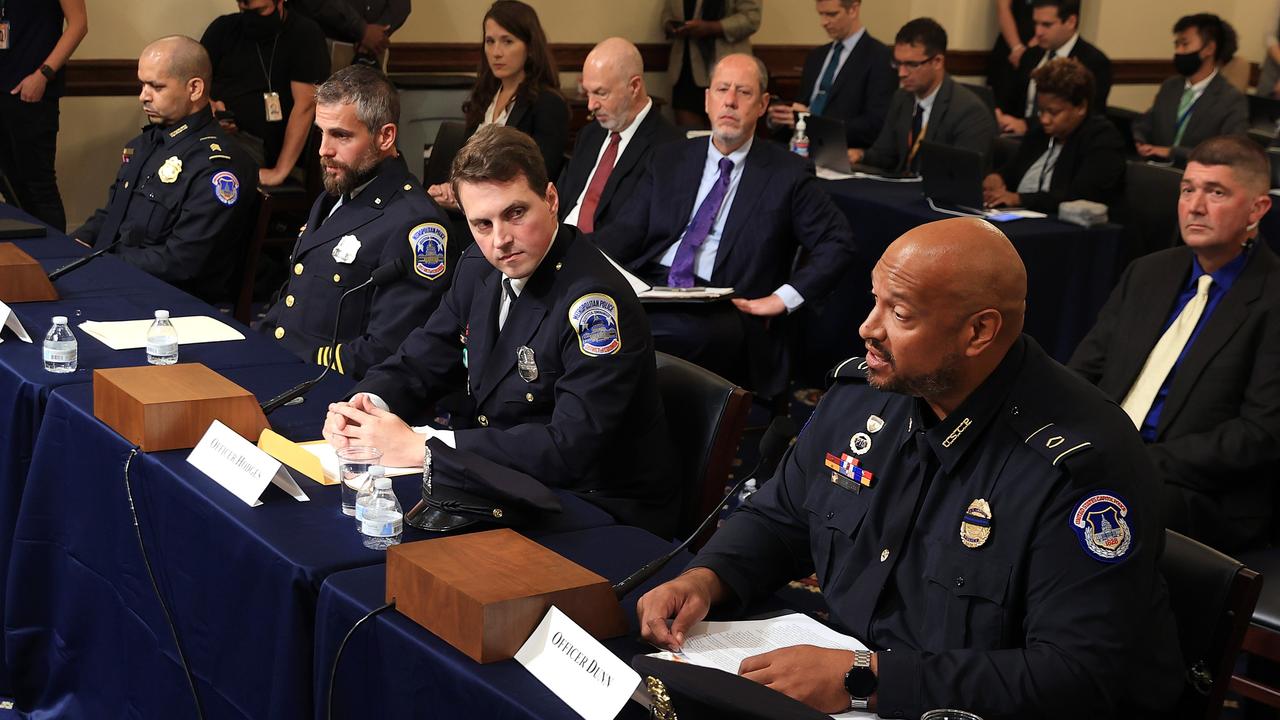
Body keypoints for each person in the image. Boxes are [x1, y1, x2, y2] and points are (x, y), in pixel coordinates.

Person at [636, 216, 1184, 719]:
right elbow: (784, 518)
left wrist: (866, 679)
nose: (867, 329)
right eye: (875, 303)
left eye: (899, 314)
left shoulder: (1082, 466)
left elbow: (1076, 675)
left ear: (978, 332)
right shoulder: (869, 392)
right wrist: (708, 578)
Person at [322, 125, 678, 537]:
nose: (501, 241)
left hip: (598, 505)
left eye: (515, 213)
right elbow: (423, 357)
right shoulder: (478, 267)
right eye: (482, 224)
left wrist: (424, 446)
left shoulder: (594, 303)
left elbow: (570, 448)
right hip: (505, 481)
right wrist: (366, 406)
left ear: (550, 199)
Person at [1069, 135, 1279, 553]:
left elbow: (1260, 435)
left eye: (1216, 192)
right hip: (1107, 457)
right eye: (1187, 190)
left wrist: (1137, 462)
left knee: (1084, 514)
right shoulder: (1147, 273)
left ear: (1257, 209)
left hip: (1200, 491)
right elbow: (1082, 374)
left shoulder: (1273, 299)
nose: (1195, 207)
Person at [603, 54, 855, 400]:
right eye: (722, 89)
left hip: (725, 305)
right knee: (594, 316)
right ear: (707, 99)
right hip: (655, 288)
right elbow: (623, 234)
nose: (731, 101)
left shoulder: (786, 174)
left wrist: (780, 300)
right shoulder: (669, 158)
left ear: (763, 104)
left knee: (636, 336)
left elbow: (837, 242)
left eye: (744, 92)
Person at [258, 65, 453, 380]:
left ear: (385, 136)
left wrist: (294, 357)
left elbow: (388, 349)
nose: (324, 150)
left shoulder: (416, 224)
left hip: (336, 388)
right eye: (321, 132)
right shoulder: (336, 194)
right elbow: (294, 299)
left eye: (341, 135)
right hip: (288, 366)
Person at [71, 36, 257, 303]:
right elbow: (112, 214)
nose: (143, 96)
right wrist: (73, 246)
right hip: (122, 278)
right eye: (142, 84)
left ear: (194, 89)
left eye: (156, 87)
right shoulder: (147, 143)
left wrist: (99, 262)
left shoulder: (219, 167)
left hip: (172, 300)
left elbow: (183, 261)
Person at [427, 0, 569, 211]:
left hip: (511, 215)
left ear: (530, 48)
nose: (496, 52)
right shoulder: (485, 96)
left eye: (507, 41)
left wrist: (465, 199)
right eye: (490, 41)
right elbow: (465, 164)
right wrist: (450, 189)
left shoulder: (548, 104)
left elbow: (537, 181)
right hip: (468, 208)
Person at [201, 0, 330, 187]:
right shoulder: (223, 28)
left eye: (260, 10)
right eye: (244, 9)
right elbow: (194, 86)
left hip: (260, 145)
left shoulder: (304, 34)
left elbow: (306, 106)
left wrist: (279, 172)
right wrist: (209, 107)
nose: (251, 17)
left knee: (205, 172)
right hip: (212, 132)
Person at [558, 38, 680, 235]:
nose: (591, 105)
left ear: (634, 87)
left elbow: (637, 232)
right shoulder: (590, 134)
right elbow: (562, 199)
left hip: (602, 255)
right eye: (588, 93)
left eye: (600, 93)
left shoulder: (668, 147)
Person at [851, 18, 996, 173]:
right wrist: (860, 155)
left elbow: (962, 177)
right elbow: (885, 155)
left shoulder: (969, 112)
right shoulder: (901, 98)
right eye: (898, 63)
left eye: (912, 65)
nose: (901, 73)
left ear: (938, 62)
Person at [983, 57, 1124, 214]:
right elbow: (1014, 169)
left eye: (1054, 112)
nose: (1044, 119)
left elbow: (1079, 197)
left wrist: (1018, 199)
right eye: (1041, 110)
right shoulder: (1039, 132)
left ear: (1081, 107)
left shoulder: (1102, 139)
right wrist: (997, 178)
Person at [0, 0, 87, 230]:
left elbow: (79, 25)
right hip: (3, 87)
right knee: (10, 186)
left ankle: (56, 263)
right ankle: (24, 261)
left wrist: (43, 74)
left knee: (39, 187)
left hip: (31, 92)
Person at [766, 0, 895, 151]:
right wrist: (781, 118)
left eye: (831, 14)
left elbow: (874, 124)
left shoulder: (879, 57)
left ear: (853, 10)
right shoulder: (816, 57)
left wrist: (812, 123)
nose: (824, 22)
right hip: (800, 148)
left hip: (843, 152)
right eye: (821, 14)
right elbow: (801, 108)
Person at [1132, 14, 1248, 167]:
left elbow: (1231, 152)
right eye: (1177, 44)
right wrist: (1139, 139)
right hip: (1155, 169)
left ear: (1209, 49)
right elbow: (1148, 121)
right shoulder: (1171, 86)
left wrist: (1173, 152)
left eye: (1185, 44)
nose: (1178, 51)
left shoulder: (1231, 99)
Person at [995, 0, 1110, 136]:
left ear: (1070, 22)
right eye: (1036, 23)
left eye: (1046, 25)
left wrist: (1027, 125)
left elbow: (1087, 116)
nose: (1038, 32)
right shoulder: (1031, 55)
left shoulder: (1093, 61)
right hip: (1018, 138)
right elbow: (1010, 98)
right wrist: (999, 114)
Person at [662, 0, 761, 127]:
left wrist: (712, 27)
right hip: (685, 68)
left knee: (725, 134)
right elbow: (668, 13)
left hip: (726, 66)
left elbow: (751, 19)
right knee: (690, 138)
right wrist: (669, 25)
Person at [288, 0, 408, 64]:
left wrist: (377, 34)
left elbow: (402, 5)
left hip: (374, 52)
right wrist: (362, 30)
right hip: (322, 48)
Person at [986, 0, 1036, 113]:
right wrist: (1017, 48)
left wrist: (1032, 48)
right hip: (1008, 52)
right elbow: (1003, 8)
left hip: (1041, 47)